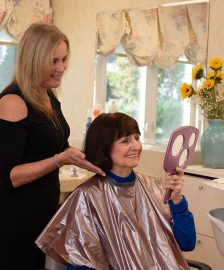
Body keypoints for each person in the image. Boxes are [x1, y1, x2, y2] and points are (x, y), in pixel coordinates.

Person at [0, 23, 105, 270]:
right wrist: (59, 160)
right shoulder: (13, 102)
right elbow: (8, 177)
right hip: (16, 221)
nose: (61, 68)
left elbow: (58, 146)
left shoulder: (48, 96)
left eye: (64, 59)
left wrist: (99, 156)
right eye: (54, 61)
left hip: (43, 216)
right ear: (34, 60)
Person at [36, 112, 196, 270]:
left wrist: (177, 201)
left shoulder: (153, 186)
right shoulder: (87, 196)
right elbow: (80, 263)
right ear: (104, 146)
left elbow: (186, 243)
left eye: (137, 138)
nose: (136, 146)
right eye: (125, 141)